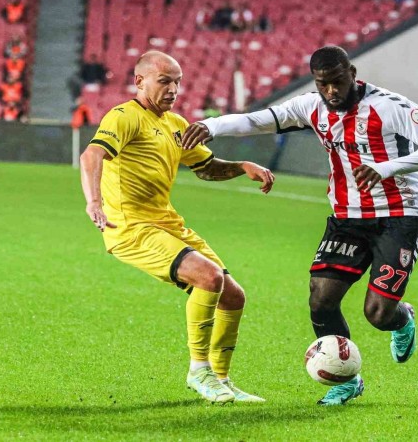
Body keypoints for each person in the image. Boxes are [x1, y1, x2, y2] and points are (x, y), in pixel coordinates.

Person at [182, 45, 418, 406]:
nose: (331, 91)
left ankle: (402, 317)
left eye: (337, 82)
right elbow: (256, 120)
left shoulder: (389, 106)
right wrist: (211, 126)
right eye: (322, 84)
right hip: (347, 216)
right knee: (321, 298)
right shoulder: (310, 107)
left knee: (378, 314)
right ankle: (348, 381)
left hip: (401, 213)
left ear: (352, 74)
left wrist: (387, 167)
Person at [79, 51, 273, 404]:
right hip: (131, 227)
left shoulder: (176, 124)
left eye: (178, 82)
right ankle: (199, 370)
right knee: (208, 277)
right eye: (165, 81)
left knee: (233, 296)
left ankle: (221, 378)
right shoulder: (124, 117)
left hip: (167, 224)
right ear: (140, 81)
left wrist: (242, 165)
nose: (173, 89)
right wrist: (94, 201)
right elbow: (92, 155)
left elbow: (206, 168)